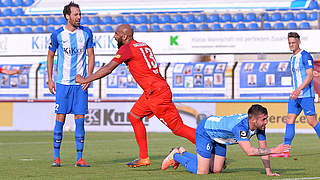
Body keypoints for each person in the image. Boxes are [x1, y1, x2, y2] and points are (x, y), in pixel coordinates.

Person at [75, 24, 196, 168]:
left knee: (178, 128)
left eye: (117, 34)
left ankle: (210, 145)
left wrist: (85, 79)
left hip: (156, 93)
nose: (114, 36)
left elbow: (108, 69)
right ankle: (144, 157)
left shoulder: (126, 48)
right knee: (134, 116)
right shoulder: (143, 45)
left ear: (125, 36)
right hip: (153, 90)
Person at [161, 104, 290, 176]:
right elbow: (250, 151)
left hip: (221, 138)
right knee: (203, 172)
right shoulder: (240, 127)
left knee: (217, 170)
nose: (266, 122)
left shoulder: (259, 126)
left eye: (266, 118)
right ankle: (176, 155)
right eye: (264, 119)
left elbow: (263, 148)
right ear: (253, 120)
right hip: (206, 131)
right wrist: (274, 150)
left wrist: (268, 172)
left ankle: (184, 152)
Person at [47, 1, 95, 167]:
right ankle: (56, 157)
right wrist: (50, 79)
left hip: (79, 85)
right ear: (67, 16)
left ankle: (79, 158)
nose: (79, 17)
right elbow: (50, 56)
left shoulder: (87, 32)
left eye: (80, 14)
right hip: (62, 84)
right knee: (60, 118)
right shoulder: (57, 34)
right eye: (75, 14)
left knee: (80, 120)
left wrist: (88, 77)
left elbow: (91, 56)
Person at [271, 32, 320, 158]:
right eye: (289, 43)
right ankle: (285, 151)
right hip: (295, 95)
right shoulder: (292, 58)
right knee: (289, 119)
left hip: (305, 94)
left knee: (312, 121)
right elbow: (307, 73)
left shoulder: (305, 55)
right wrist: (296, 91)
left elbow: (309, 75)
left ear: (299, 42)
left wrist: (299, 89)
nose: (291, 45)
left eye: (293, 42)